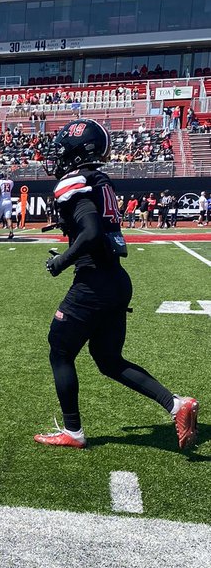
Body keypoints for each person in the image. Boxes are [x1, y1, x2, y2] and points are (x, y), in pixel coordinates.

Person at [35, 119, 197, 450]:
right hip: (116, 280)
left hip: (93, 282)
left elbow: (92, 232)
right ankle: (177, 406)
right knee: (108, 359)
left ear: (79, 153)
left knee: (60, 350)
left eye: (64, 151)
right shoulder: (100, 181)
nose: (59, 158)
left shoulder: (75, 181)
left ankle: (73, 432)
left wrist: (61, 261)